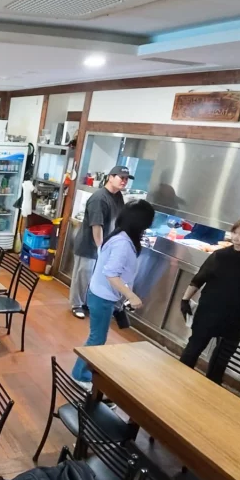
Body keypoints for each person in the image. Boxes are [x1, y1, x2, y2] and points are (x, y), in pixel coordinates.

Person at [179, 217, 240, 379]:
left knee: (222, 359)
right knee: (194, 349)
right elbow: (199, 278)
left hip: (239, 315)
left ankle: (210, 392)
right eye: (234, 233)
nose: (235, 238)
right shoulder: (221, 256)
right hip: (210, 311)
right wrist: (184, 300)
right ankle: (176, 383)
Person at [71, 200, 155, 389]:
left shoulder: (118, 235)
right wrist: (131, 295)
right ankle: (79, 374)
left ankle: (83, 371)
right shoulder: (122, 244)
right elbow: (111, 273)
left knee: (97, 336)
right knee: (97, 338)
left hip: (100, 293)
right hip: (102, 297)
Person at [69, 166, 132, 319]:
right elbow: (97, 226)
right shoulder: (99, 198)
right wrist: (100, 248)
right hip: (89, 245)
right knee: (83, 275)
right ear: (110, 177)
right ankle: (76, 304)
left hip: (106, 245)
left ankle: (86, 303)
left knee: (95, 277)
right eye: (121, 177)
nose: (124, 181)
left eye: (126, 178)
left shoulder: (117, 197)